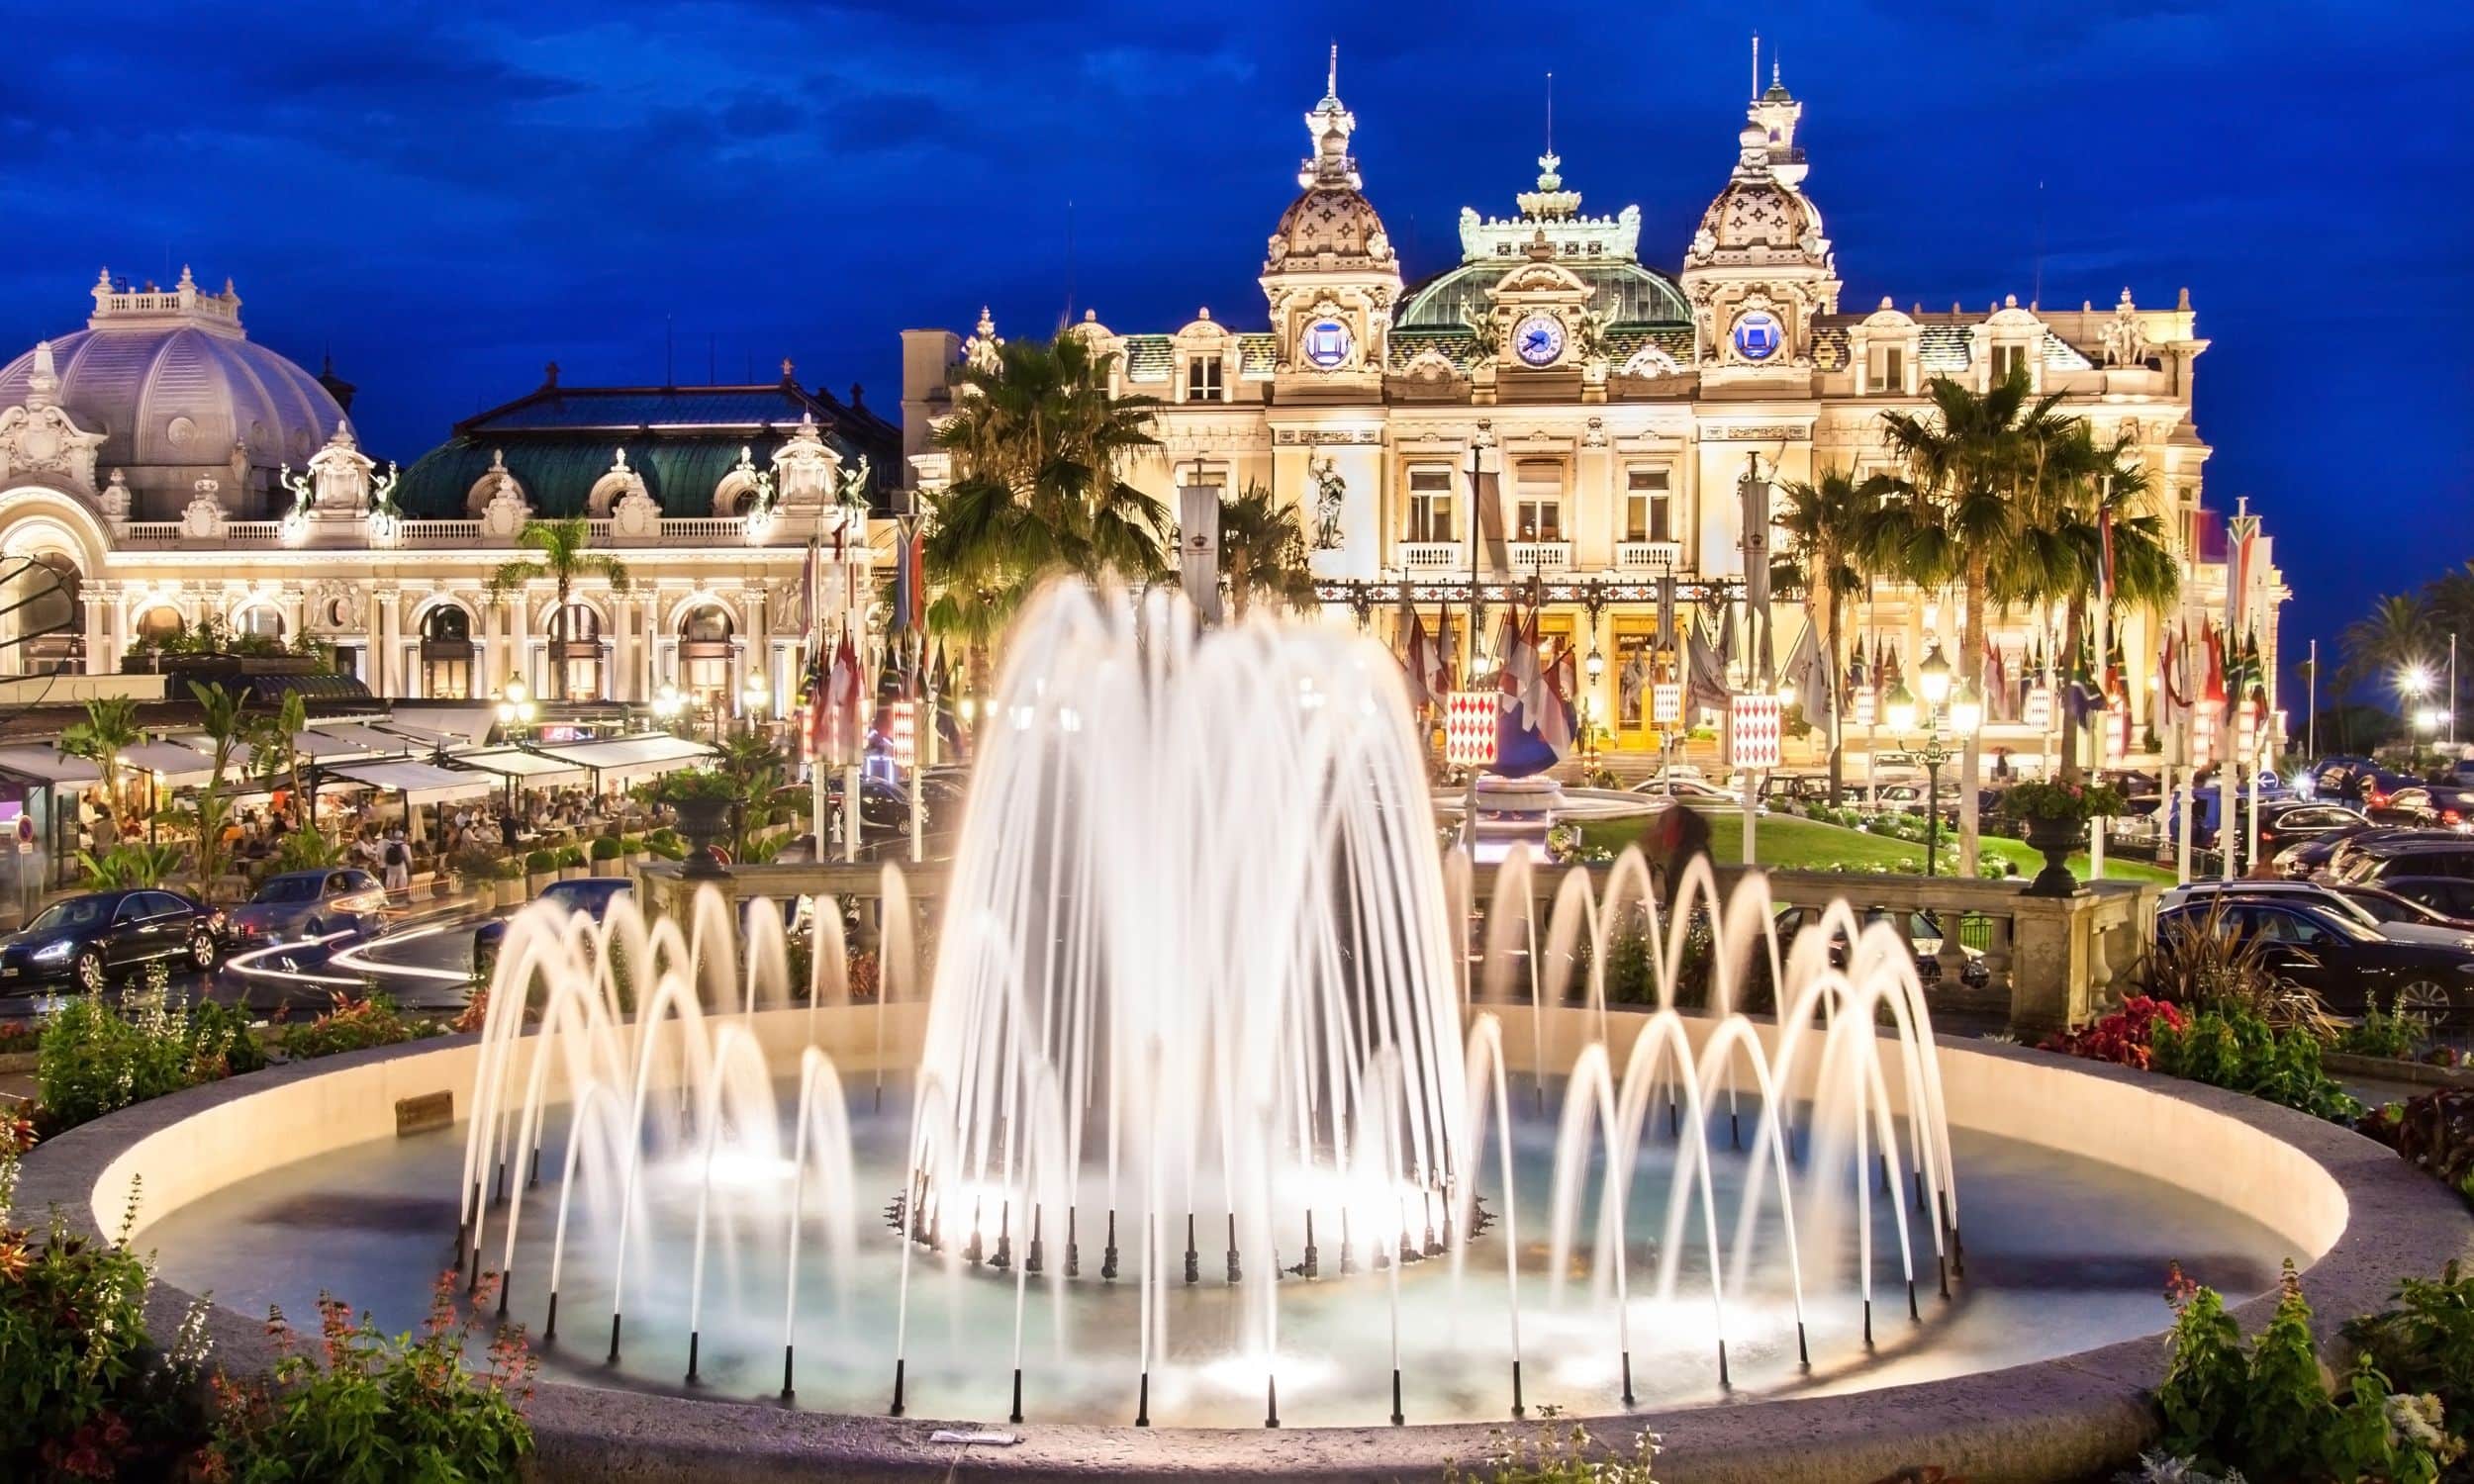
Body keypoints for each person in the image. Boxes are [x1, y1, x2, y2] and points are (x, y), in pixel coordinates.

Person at [381, 831, 412, 898]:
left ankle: (389, 898)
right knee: (402, 884)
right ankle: (401, 898)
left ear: (394, 837)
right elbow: (409, 860)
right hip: (401, 867)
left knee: (390, 884)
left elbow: (384, 857)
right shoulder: (405, 846)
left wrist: (387, 866)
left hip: (390, 868)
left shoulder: (388, 846)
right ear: (402, 837)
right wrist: (410, 867)